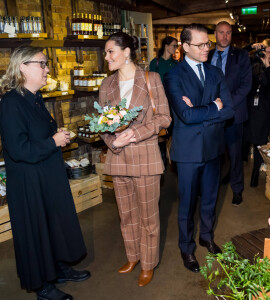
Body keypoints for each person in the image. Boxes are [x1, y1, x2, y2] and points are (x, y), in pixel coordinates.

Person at [0, 46, 90, 300]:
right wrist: (53, 141)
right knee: (36, 230)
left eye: (46, 63)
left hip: (47, 175)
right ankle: (42, 286)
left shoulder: (34, 98)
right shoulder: (10, 103)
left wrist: (55, 136)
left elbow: (37, 134)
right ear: (22, 67)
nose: (47, 68)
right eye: (42, 63)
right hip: (30, 182)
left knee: (54, 224)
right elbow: (18, 149)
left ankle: (59, 269)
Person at [99, 32, 171, 286]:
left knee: (148, 217)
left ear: (127, 51)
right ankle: (133, 256)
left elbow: (164, 118)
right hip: (118, 158)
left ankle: (148, 263)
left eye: (110, 51)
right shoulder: (106, 85)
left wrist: (134, 134)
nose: (106, 56)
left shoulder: (151, 79)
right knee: (126, 214)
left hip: (146, 157)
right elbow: (102, 124)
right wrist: (113, 142)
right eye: (106, 52)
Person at [164, 24, 234, 273]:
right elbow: (184, 114)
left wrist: (201, 111)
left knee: (210, 199)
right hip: (189, 151)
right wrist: (214, 107)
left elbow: (230, 110)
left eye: (208, 44)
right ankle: (186, 247)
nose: (207, 48)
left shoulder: (215, 73)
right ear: (185, 47)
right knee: (187, 203)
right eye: (201, 44)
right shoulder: (174, 76)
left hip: (214, 147)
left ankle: (207, 236)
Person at [208, 21, 252, 206]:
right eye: (221, 32)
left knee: (234, 156)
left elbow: (246, 85)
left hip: (234, 114)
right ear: (215, 34)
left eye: (228, 33)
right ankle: (211, 189)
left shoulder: (241, 56)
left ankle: (237, 190)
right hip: (210, 115)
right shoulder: (206, 55)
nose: (224, 36)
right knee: (211, 155)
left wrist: (225, 104)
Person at [245, 39, 270, 187]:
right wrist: (251, 48)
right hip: (249, 105)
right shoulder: (254, 62)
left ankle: (255, 173)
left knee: (260, 140)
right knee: (246, 137)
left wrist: (267, 65)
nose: (267, 55)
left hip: (264, 107)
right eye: (264, 52)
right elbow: (237, 55)